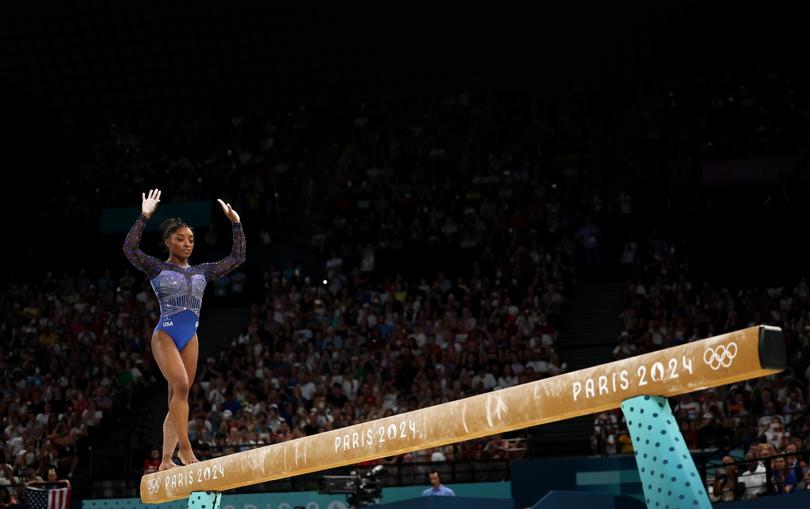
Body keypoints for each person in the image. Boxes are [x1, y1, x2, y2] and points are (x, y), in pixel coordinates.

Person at [123, 189, 246, 469]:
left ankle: (166, 459)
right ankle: (185, 449)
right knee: (180, 385)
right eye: (180, 239)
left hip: (190, 336)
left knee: (178, 396)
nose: (187, 244)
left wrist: (235, 224)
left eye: (191, 239)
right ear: (168, 242)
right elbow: (129, 249)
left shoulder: (202, 270)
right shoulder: (155, 267)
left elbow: (236, 258)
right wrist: (144, 217)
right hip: (165, 334)